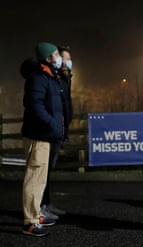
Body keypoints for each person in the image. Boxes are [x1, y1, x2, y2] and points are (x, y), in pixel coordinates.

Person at [21, 42, 64, 236]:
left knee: (40, 180)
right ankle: (29, 222)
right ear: (47, 58)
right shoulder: (38, 78)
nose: (59, 57)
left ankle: (36, 213)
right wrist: (52, 124)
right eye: (56, 54)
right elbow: (35, 105)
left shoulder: (48, 76)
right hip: (38, 135)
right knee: (34, 179)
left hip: (44, 135)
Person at [40, 45, 73, 219]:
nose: (68, 61)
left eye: (68, 58)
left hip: (59, 130)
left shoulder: (65, 78)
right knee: (44, 171)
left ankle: (47, 203)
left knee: (49, 171)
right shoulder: (53, 79)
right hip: (52, 130)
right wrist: (54, 124)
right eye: (65, 58)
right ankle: (41, 206)